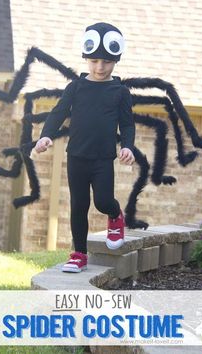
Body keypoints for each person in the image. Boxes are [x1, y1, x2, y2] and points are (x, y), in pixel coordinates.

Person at [35, 22, 135, 273]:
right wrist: (46, 135)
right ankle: (79, 254)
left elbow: (127, 124)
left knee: (102, 201)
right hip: (77, 157)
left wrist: (128, 147)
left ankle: (115, 215)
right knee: (79, 205)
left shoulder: (120, 92)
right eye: (94, 61)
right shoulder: (76, 87)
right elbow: (58, 114)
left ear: (116, 60)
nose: (100, 67)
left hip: (102, 159)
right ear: (86, 59)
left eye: (106, 62)